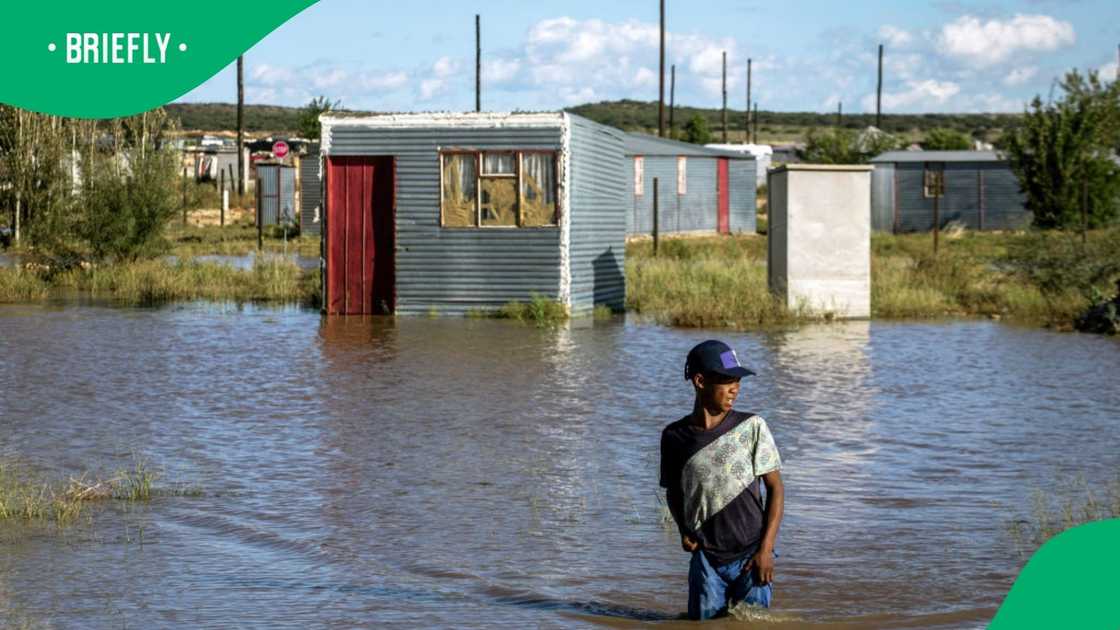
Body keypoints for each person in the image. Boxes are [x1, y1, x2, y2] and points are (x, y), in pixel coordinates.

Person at [659, 339, 785, 620]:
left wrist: (765, 550)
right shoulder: (675, 437)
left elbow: (775, 489)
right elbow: (673, 493)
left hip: (751, 557)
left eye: (738, 381)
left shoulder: (752, 427)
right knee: (702, 624)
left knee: (753, 623)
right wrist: (684, 530)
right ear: (700, 381)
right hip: (707, 560)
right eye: (727, 381)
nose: (735, 388)